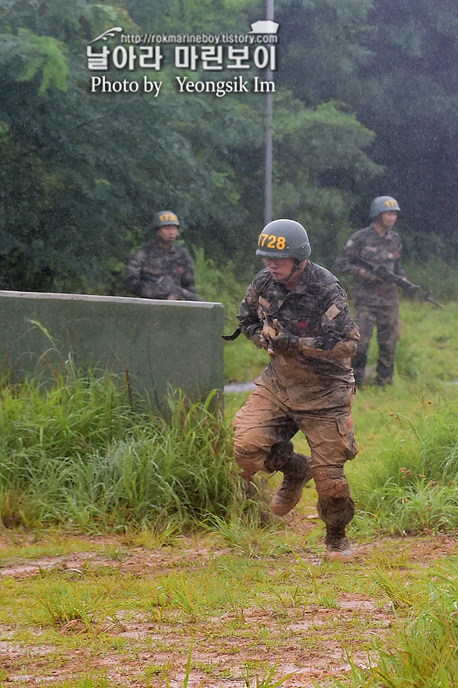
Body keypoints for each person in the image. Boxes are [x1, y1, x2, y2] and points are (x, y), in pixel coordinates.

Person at [232, 218, 362, 560]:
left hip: (326, 392)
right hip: (280, 384)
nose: (271, 265)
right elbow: (245, 320)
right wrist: (262, 339)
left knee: (331, 482)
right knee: (246, 448)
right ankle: (294, 469)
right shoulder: (264, 282)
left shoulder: (326, 288)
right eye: (266, 258)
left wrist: (298, 344)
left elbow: (348, 343)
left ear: (300, 259)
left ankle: (336, 536)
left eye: (280, 259)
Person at [334, 195, 407, 387]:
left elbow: (397, 266)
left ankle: (384, 383)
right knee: (361, 343)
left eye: (394, 214)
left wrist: (404, 279)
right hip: (366, 300)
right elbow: (342, 263)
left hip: (389, 300)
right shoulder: (361, 238)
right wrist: (362, 272)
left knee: (389, 343)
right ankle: (355, 382)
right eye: (388, 214)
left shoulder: (395, 239)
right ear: (378, 214)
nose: (392, 218)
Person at [125, 211, 201, 300]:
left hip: (174, 305)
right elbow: (130, 281)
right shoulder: (143, 253)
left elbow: (189, 285)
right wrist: (152, 292)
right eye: (167, 228)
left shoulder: (183, 256)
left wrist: (177, 295)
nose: (171, 232)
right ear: (158, 231)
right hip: (148, 303)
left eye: (174, 228)